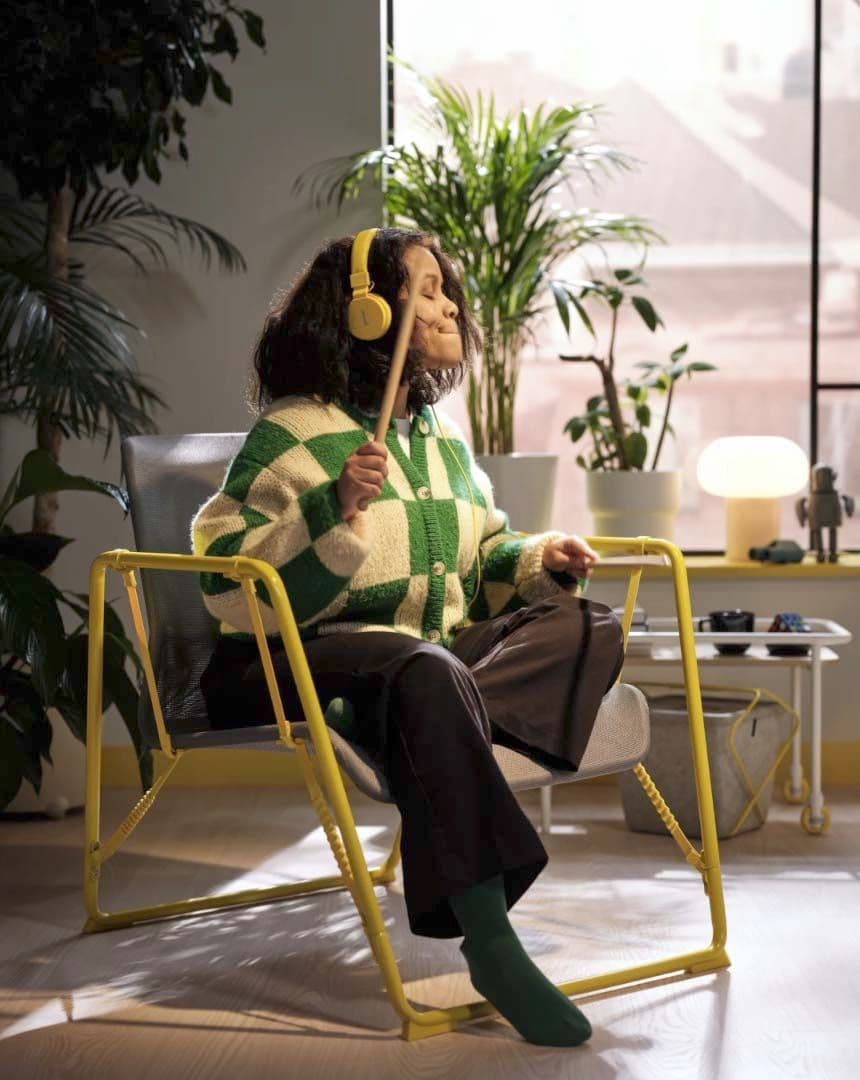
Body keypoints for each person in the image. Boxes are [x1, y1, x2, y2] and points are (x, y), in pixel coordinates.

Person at [190, 227, 624, 1047]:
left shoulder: (442, 439)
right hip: (297, 660)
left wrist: (537, 560)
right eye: (426, 289)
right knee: (421, 666)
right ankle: (491, 942)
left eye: (444, 288)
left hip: (419, 668)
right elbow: (224, 581)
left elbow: (482, 565)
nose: (449, 304)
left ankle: (422, 725)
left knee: (584, 619)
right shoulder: (292, 432)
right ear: (362, 311)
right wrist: (330, 512)